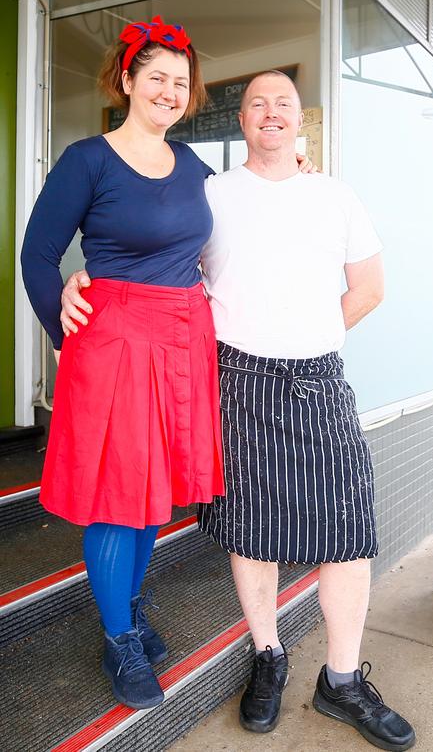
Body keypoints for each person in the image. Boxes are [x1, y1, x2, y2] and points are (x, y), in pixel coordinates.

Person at [61, 70, 415, 749]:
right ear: (242, 120)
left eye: (284, 102)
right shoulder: (209, 192)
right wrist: (87, 277)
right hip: (237, 379)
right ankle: (268, 654)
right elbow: (153, 254)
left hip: (319, 379)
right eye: (258, 103)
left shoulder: (334, 193)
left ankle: (341, 679)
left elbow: (369, 287)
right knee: (251, 529)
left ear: (300, 119)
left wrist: (308, 333)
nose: (271, 112)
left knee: (349, 529)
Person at [20, 16, 226, 711]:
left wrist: (301, 170)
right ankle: (118, 638)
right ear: (129, 81)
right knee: (116, 494)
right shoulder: (89, 159)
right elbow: (37, 256)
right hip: (113, 345)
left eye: (181, 81)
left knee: (150, 496)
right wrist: (60, 323)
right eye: (157, 77)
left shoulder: (198, 169)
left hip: (179, 342)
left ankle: (130, 613)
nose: (169, 91)